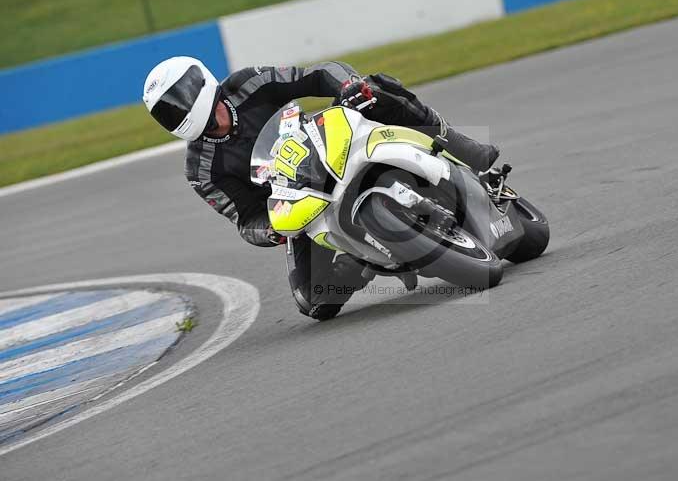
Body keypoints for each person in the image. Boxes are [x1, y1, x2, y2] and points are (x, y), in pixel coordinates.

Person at [142, 57, 499, 320]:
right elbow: (244, 218)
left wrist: (348, 85)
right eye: (167, 113)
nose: (177, 114)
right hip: (301, 201)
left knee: (375, 88)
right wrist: (272, 231)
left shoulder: (248, 83)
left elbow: (317, 74)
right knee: (315, 301)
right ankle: (363, 259)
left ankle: (460, 145)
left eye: (178, 102)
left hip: (327, 142)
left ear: (198, 84)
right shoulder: (199, 169)